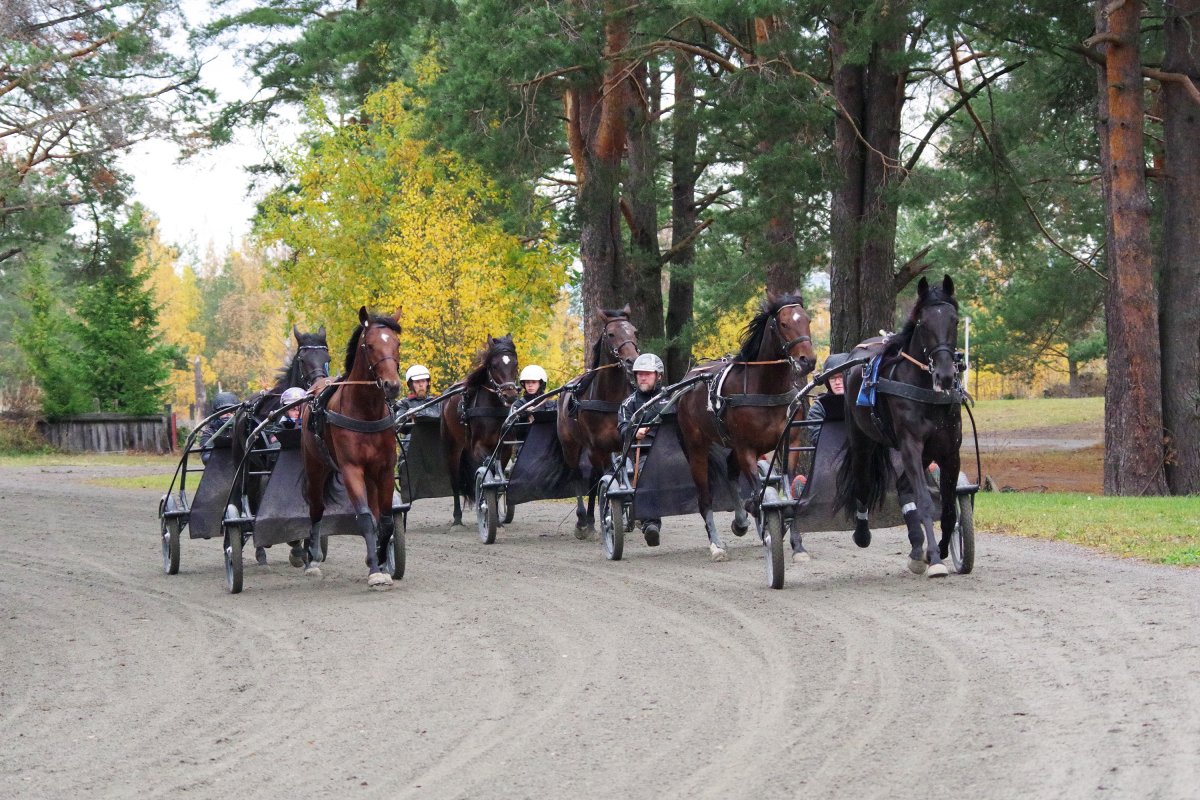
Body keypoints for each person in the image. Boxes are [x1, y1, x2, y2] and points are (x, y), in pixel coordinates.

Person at [617, 353, 666, 546]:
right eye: (639, 374)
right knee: (649, 472)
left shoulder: (671, 397)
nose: (642, 377)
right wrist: (633, 432)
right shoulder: (628, 404)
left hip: (675, 452)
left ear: (658, 375)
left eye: (647, 374)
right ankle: (651, 524)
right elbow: (622, 428)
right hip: (644, 453)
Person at [199, 391, 239, 463]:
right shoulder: (209, 433)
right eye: (224, 411)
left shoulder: (243, 431)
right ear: (216, 414)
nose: (228, 414)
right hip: (219, 470)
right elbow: (206, 458)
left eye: (232, 411)